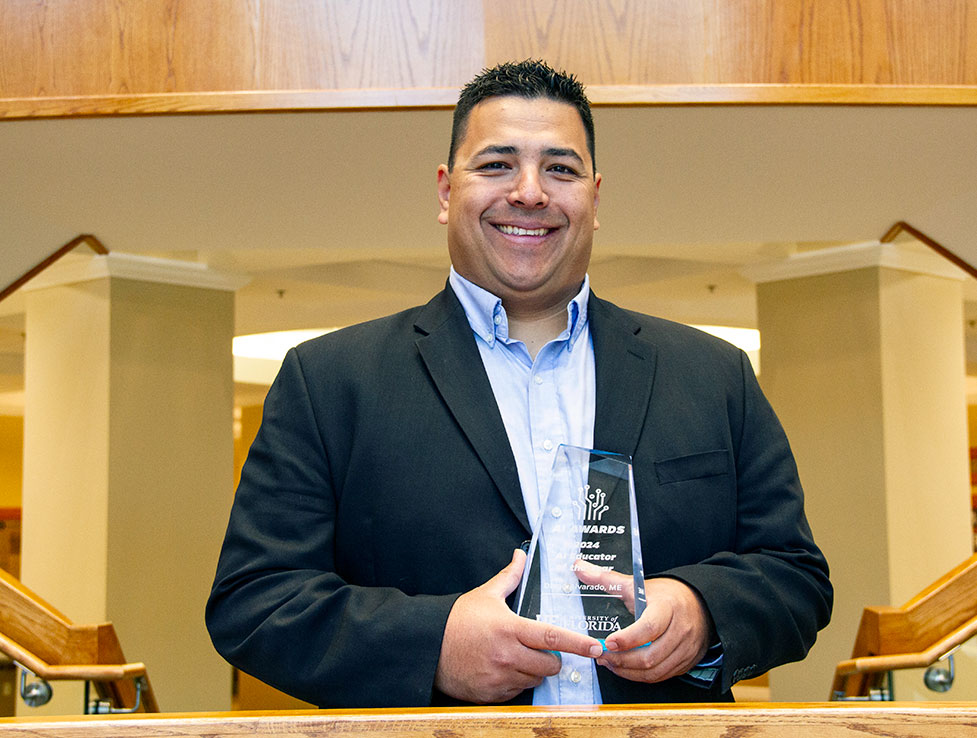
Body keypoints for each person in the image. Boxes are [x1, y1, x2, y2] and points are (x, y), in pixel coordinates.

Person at [206, 59, 832, 708]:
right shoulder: (329, 381)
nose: (529, 192)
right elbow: (254, 602)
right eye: (497, 164)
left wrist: (701, 611)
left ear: (594, 197)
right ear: (447, 192)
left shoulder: (712, 375)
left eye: (559, 169)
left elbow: (795, 578)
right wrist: (435, 644)